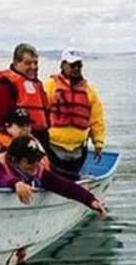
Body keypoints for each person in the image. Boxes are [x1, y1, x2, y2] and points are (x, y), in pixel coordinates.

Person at [0, 135, 107, 217]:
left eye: (37, 159)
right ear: (13, 160)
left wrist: (91, 200)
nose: (35, 164)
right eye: (30, 161)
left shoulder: (37, 170)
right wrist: (16, 183)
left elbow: (64, 186)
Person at [45, 48, 107, 180]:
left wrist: (98, 143)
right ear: (62, 65)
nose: (76, 68)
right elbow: (40, 113)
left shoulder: (89, 91)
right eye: (72, 65)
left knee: (71, 181)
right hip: (53, 147)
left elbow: (97, 119)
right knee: (57, 180)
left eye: (79, 65)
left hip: (78, 150)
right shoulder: (50, 86)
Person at [0, 43, 51, 152]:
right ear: (16, 63)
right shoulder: (6, 86)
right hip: (17, 145)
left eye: (35, 63)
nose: (33, 67)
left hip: (38, 142)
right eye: (28, 63)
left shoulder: (37, 85)